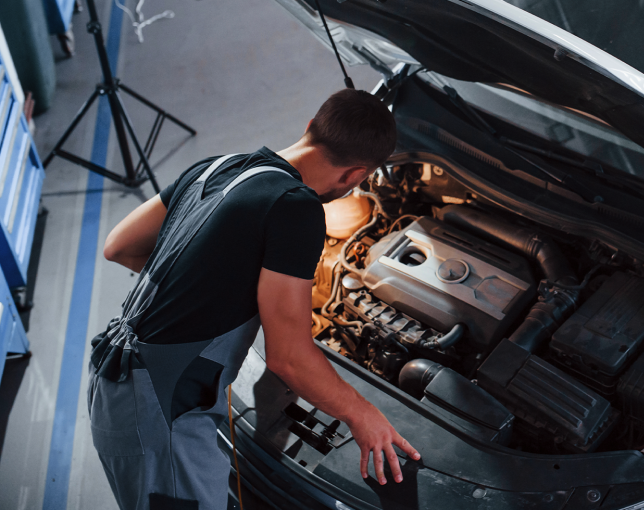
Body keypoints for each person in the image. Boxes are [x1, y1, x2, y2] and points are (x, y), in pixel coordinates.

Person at [89, 89, 419, 510]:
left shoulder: (216, 166)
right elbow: (290, 359)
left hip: (120, 381)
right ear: (355, 176)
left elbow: (118, 245)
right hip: (162, 413)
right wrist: (363, 415)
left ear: (309, 129)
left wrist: (209, 286)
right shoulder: (295, 208)